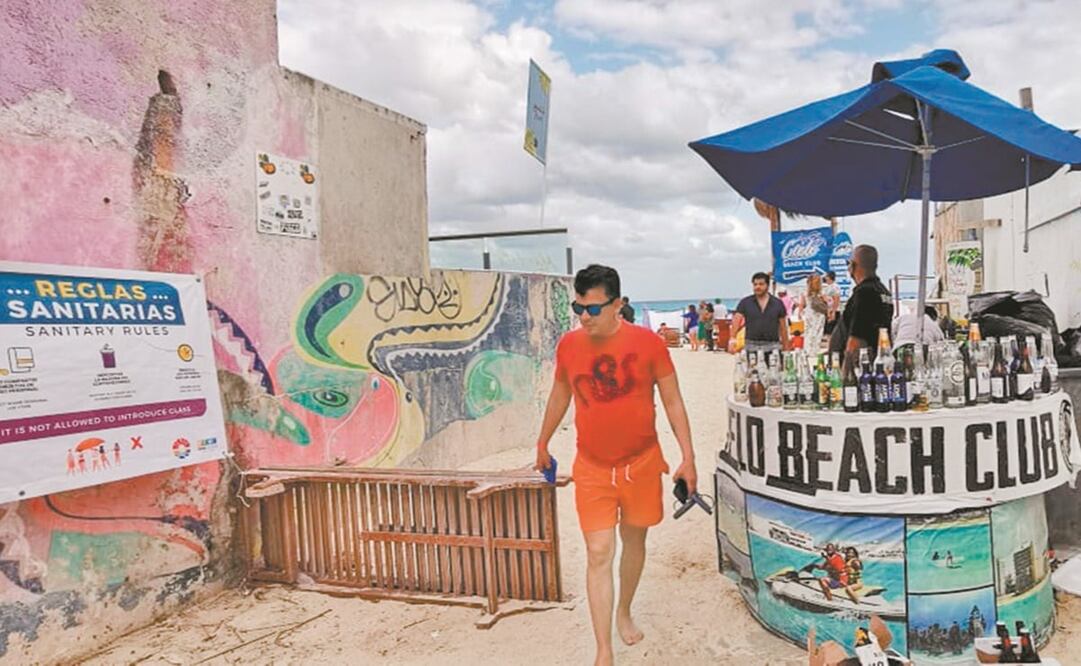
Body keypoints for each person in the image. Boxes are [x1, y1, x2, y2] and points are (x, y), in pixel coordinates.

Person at [533, 264, 697, 666]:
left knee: (634, 542)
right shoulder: (569, 346)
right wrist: (542, 441)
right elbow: (560, 394)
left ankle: (624, 608)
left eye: (593, 309)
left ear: (618, 305)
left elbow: (673, 401)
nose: (583, 317)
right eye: (578, 308)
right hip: (592, 467)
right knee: (598, 551)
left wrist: (688, 457)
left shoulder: (649, 345)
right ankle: (603, 649)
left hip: (641, 463)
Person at [829, 245, 893, 362]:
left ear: (853, 265)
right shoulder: (884, 292)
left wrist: (845, 369)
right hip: (875, 359)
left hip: (859, 365)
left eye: (848, 263)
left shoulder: (864, 292)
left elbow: (856, 340)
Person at [729, 272, 790, 358]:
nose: (757, 287)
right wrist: (732, 340)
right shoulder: (745, 302)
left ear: (767, 285)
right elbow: (736, 321)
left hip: (773, 346)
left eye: (761, 284)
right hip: (751, 345)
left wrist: (786, 348)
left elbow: (783, 328)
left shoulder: (777, 303)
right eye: (755, 284)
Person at [798, 274, 828, 354]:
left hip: (809, 313)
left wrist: (800, 313)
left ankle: (807, 350)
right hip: (819, 314)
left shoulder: (805, 292)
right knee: (817, 332)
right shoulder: (821, 293)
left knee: (808, 332)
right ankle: (815, 350)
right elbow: (827, 302)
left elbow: (801, 304)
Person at [822, 270, 842, 335]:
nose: (825, 277)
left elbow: (836, 299)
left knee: (832, 331)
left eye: (826, 276)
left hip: (833, 310)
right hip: (826, 310)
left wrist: (833, 312)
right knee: (826, 331)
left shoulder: (835, 286)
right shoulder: (825, 286)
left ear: (829, 277)